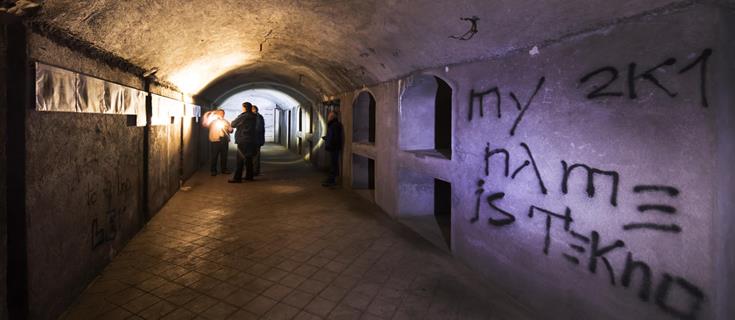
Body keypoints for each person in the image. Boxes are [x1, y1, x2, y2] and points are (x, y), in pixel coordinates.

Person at [229, 102, 258, 183]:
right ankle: (249, 176)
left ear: (244, 108)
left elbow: (233, 124)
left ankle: (237, 178)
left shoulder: (244, 116)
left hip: (243, 139)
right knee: (248, 159)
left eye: (242, 107)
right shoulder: (254, 116)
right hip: (250, 140)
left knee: (240, 159)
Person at [321, 111, 343, 187]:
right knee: (333, 163)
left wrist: (331, 143)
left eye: (329, 116)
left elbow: (336, 137)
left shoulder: (335, 125)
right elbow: (332, 136)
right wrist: (327, 138)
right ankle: (331, 179)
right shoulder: (333, 125)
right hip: (333, 147)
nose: (328, 117)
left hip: (334, 147)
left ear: (333, 117)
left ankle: (332, 180)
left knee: (334, 164)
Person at [208, 110, 233, 176]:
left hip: (224, 140)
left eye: (222, 113)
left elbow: (231, 130)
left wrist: (228, 128)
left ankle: (224, 169)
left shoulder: (226, 121)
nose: (221, 114)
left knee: (224, 156)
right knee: (214, 156)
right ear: (217, 114)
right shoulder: (213, 121)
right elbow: (207, 125)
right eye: (220, 113)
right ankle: (213, 170)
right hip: (215, 140)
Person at [252, 105, 266, 176]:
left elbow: (258, 129)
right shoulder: (259, 116)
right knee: (255, 156)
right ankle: (255, 170)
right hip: (257, 139)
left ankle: (255, 171)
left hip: (255, 140)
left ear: (254, 110)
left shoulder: (257, 117)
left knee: (255, 156)